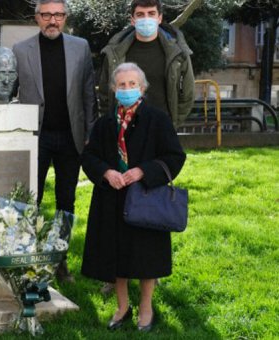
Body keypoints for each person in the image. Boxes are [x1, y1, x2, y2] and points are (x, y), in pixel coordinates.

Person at [81, 62, 186, 332]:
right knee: (115, 257)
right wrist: (106, 172)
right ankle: (122, 306)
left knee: (146, 256)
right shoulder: (105, 123)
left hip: (145, 198)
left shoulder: (157, 119)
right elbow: (89, 156)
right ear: (113, 89)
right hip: (111, 198)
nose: (126, 89)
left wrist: (143, 171)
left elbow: (175, 156)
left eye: (132, 84)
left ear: (142, 88)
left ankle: (147, 308)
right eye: (121, 85)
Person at [12, 0, 95, 282]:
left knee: (66, 202)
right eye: (46, 14)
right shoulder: (20, 50)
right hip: (35, 137)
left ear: (65, 18)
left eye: (58, 15)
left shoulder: (80, 47)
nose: (52, 20)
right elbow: (9, 92)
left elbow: (88, 94)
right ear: (37, 18)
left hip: (71, 137)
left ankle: (59, 260)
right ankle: (29, 260)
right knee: (30, 200)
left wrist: (88, 133)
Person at [97, 0, 194, 126]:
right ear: (132, 20)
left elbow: (187, 94)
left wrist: (172, 124)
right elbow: (105, 93)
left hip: (161, 127)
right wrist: (112, 124)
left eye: (151, 13)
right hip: (124, 128)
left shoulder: (177, 53)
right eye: (140, 14)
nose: (146, 18)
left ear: (159, 18)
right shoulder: (115, 53)